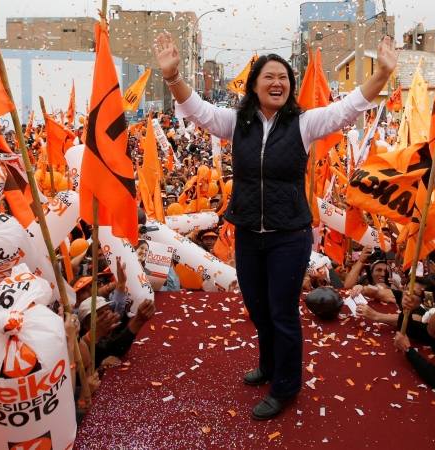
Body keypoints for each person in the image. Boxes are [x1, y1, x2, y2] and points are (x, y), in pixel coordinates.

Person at [154, 31, 399, 419]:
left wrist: (382, 74)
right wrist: (172, 77)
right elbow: (197, 108)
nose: (277, 83)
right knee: (257, 308)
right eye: (269, 76)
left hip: (290, 236)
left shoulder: (304, 123)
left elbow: (348, 108)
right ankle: (267, 365)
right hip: (249, 234)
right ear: (254, 84)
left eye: (283, 77)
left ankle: (285, 387)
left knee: (282, 311)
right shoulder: (236, 123)